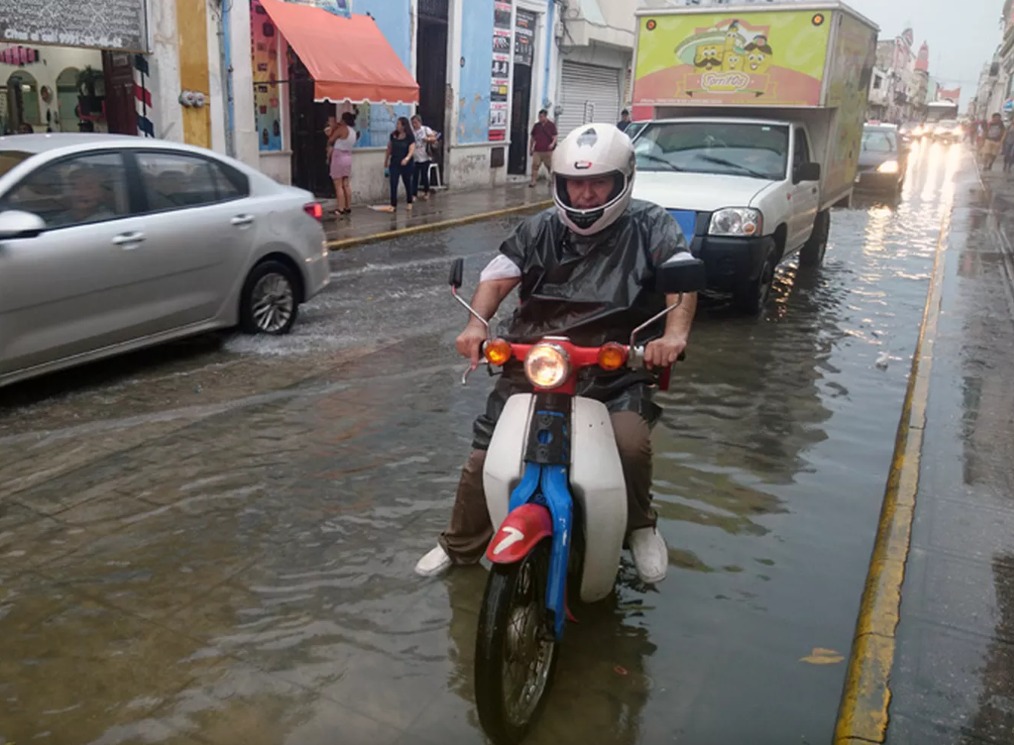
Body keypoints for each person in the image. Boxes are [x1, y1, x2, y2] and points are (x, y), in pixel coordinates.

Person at [415, 123, 698, 585]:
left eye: (597, 182)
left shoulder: (651, 225)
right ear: (559, 183)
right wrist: (475, 324)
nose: (585, 194)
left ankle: (639, 524)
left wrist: (672, 337)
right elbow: (498, 276)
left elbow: (681, 281)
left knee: (630, 442)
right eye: (575, 183)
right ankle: (460, 542)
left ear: (621, 180)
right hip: (535, 361)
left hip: (614, 367)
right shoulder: (538, 228)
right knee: (484, 454)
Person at [381, 116, 415, 212]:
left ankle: (409, 202)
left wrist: (407, 158)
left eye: (399, 124)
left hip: (406, 164)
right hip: (395, 162)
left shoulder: (410, 137)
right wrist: (386, 160)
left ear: (404, 126)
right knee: (393, 183)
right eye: (397, 124)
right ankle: (393, 204)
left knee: (407, 183)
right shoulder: (393, 135)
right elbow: (389, 148)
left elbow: (412, 149)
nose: (397, 126)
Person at [328, 112, 357, 217]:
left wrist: (333, 129)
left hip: (338, 157)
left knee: (338, 185)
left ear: (343, 119)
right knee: (346, 184)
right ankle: (348, 207)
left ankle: (340, 208)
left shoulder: (342, 129)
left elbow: (331, 139)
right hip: (348, 157)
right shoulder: (352, 131)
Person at [410, 115, 438, 201]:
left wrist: (427, 139)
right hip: (415, 156)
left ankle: (426, 192)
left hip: (425, 156)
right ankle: (414, 194)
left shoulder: (425, 129)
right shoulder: (412, 132)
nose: (414, 125)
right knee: (415, 176)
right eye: (413, 123)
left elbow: (434, 138)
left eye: (415, 122)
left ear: (419, 122)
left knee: (424, 175)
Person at [528, 109, 557, 188]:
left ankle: (552, 181)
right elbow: (532, 138)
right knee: (535, 166)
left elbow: (555, 136)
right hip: (537, 150)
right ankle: (533, 181)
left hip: (547, 150)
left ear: (545, 116)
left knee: (549, 166)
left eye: (542, 117)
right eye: (539, 117)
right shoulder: (537, 126)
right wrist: (531, 148)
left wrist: (552, 144)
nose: (540, 118)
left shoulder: (551, 125)